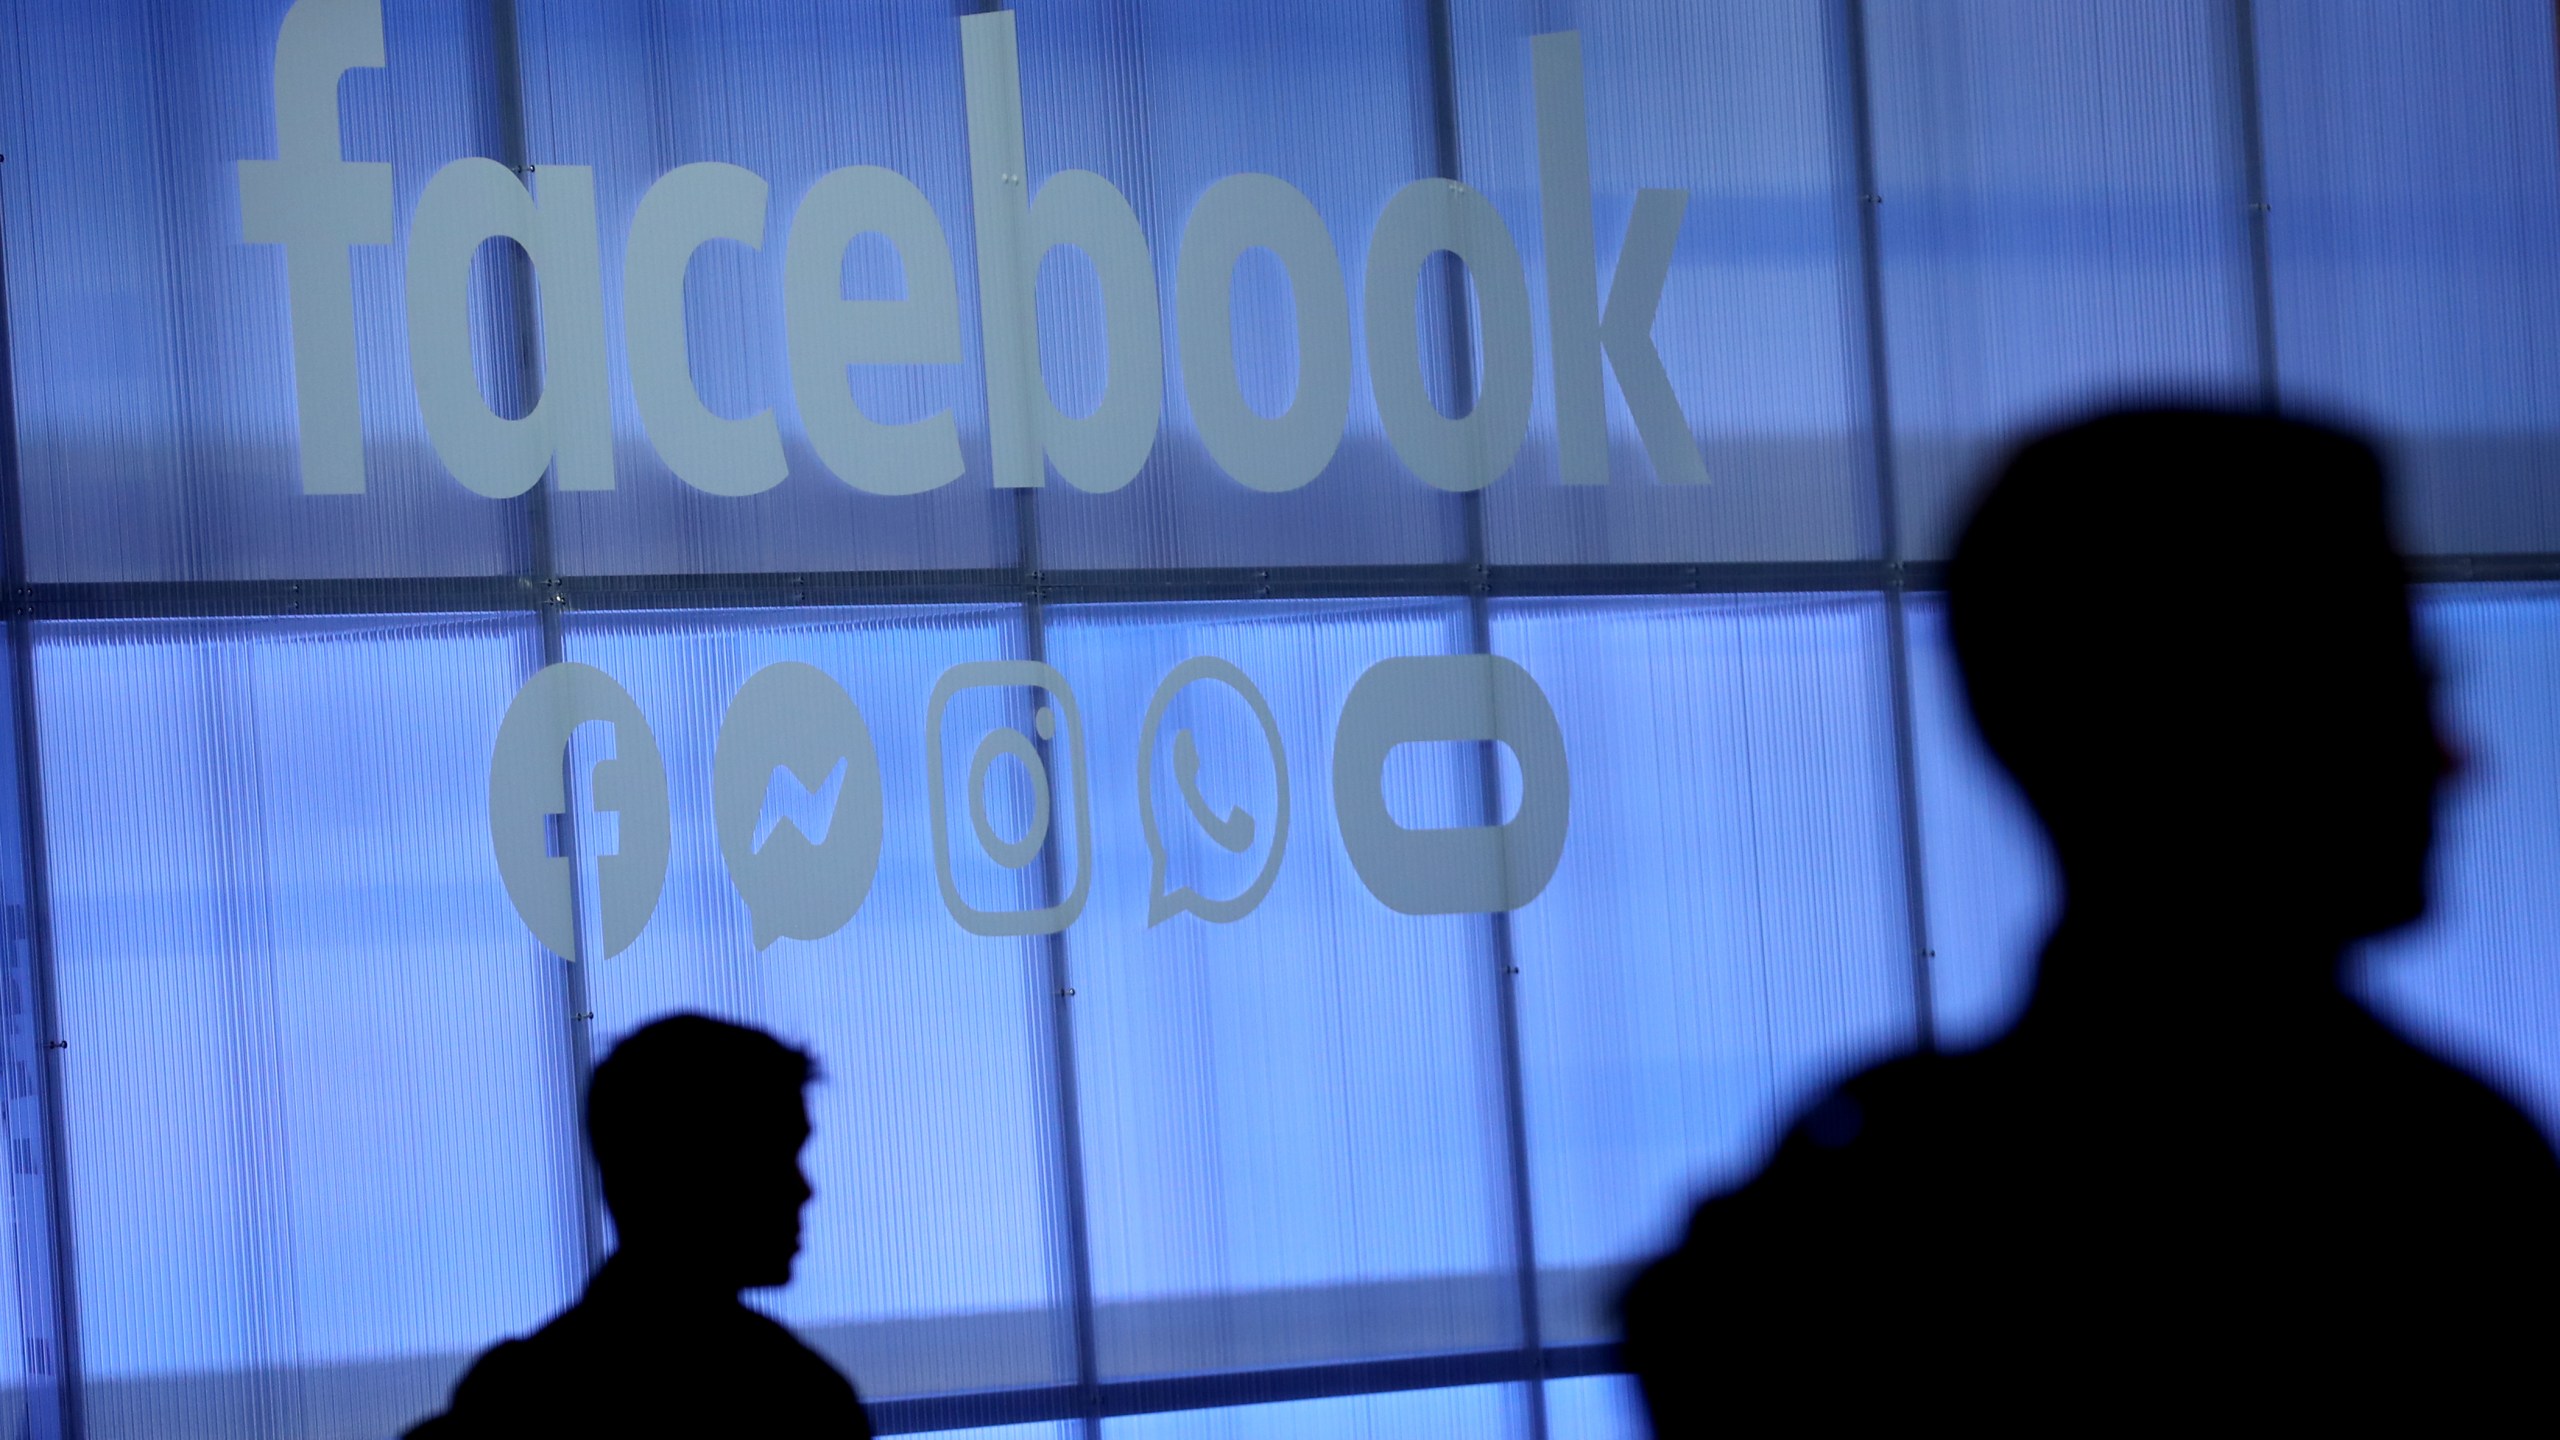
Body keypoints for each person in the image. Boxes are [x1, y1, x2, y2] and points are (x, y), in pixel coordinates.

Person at [1620, 409, 2560, 1430]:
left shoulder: (1844, 1222)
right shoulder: (2443, 1192)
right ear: (2213, 731)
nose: (2455, 760)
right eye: (2385, 696)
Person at [408, 1014, 872, 1438]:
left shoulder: (511, 1397)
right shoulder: (797, 1400)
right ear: (674, 1174)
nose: (801, 1190)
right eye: (769, 1160)